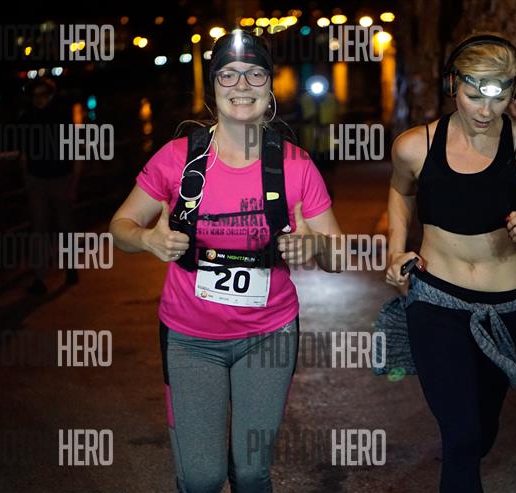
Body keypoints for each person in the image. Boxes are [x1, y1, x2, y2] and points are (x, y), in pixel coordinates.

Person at [109, 30, 342, 493]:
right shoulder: (178, 158)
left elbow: (338, 256)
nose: (242, 85)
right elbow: (121, 226)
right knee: (201, 478)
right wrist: (147, 239)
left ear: (270, 87)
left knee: (252, 474)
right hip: (189, 339)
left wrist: (315, 245)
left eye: (255, 74)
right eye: (228, 75)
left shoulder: (295, 165)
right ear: (213, 87)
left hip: (269, 335)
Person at [386, 33, 516, 492]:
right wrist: (396, 248)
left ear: (515, 90)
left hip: (505, 309)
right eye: (473, 96)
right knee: (461, 435)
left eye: (498, 97)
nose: (485, 110)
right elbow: (400, 191)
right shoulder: (414, 146)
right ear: (452, 85)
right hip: (435, 301)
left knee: (482, 430)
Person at [19, 77, 81, 294]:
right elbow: (24, 154)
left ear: (51, 95)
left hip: (61, 178)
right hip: (37, 180)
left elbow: (76, 152)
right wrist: (27, 179)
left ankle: (71, 267)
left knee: (65, 225)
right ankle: (40, 278)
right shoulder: (26, 119)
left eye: (43, 94)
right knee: (39, 229)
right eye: (35, 95)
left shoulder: (62, 118)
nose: (39, 99)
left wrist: (74, 182)